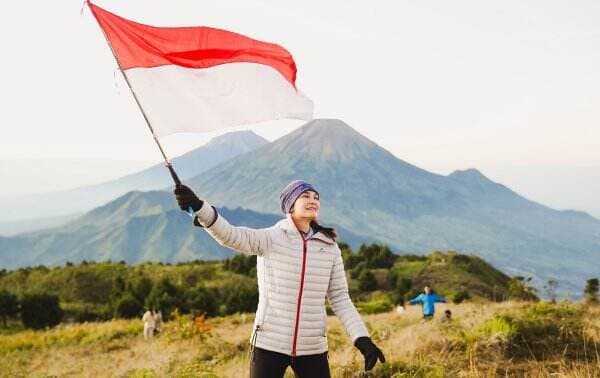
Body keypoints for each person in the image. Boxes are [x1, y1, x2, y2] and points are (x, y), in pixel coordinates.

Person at [174, 180, 385, 377]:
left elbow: (339, 297)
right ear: (290, 205)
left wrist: (362, 339)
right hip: (269, 344)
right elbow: (231, 235)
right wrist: (201, 208)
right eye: (305, 196)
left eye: (316, 196)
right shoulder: (270, 238)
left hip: (312, 347)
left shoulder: (329, 247)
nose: (313, 200)